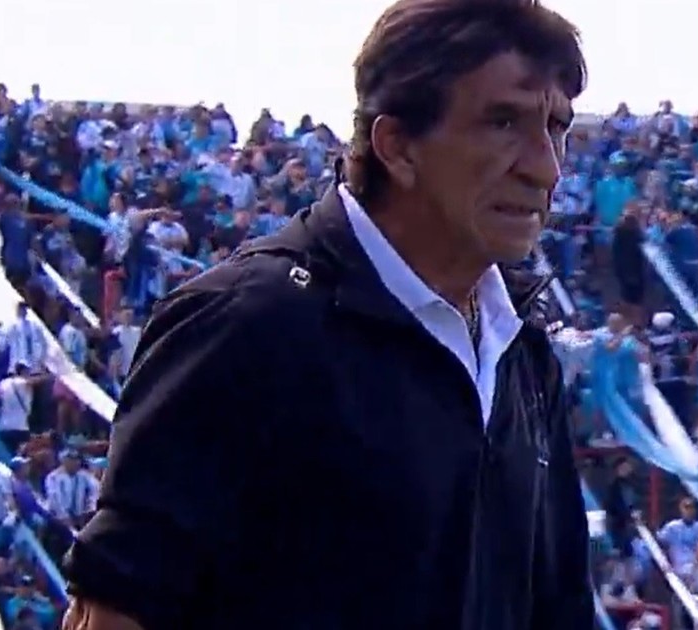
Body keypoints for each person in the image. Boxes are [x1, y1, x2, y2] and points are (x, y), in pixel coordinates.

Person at [61, 0, 593, 628]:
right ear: (398, 146)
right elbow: (116, 611)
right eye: (503, 122)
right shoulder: (247, 326)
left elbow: (556, 605)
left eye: (555, 128)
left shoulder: (521, 353)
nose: (545, 167)